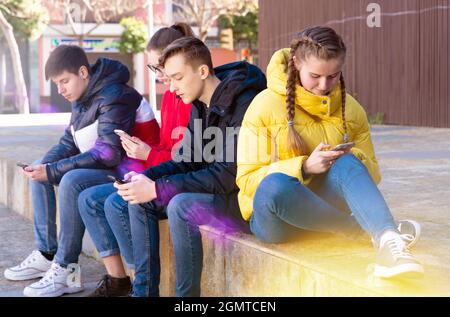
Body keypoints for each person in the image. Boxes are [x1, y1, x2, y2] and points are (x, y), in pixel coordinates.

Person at [236, 26, 423, 280]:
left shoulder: (352, 110)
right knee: (273, 186)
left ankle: (390, 243)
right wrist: (303, 167)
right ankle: (362, 230)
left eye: (333, 76)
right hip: (278, 220)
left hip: (326, 208)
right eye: (315, 76)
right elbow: (247, 181)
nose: (324, 85)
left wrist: (344, 159)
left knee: (347, 162)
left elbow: (373, 175)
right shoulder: (264, 106)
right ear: (296, 64)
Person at [112, 37, 266, 297]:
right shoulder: (199, 104)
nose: (171, 88)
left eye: (177, 77)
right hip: (217, 190)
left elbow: (229, 174)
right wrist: (145, 178)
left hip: (245, 199)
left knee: (181, 205)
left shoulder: (244, 104)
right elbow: (187, 160)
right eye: (169, 79)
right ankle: (144, 293)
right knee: (138, 199)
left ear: (203, 71)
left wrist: (158, 188)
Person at [3, 45, 157, 297]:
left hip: (135, 170)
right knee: (40, 167)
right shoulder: (82, 97)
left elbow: (109, 153)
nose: (60, 89)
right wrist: (44, 167)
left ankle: (66, 267)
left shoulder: (114, 94)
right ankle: (47, 253)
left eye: (64, 81)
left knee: (72, 180)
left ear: (83, 72)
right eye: (56, 84)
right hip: (112, 168)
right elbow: (69, 142)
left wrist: (52, 170)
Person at [77, 23, 194, 297]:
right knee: (90, 199)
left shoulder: (191, 97)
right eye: (153, 68)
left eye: (159, 67)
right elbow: (167, 149)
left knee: (120, 202)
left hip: (179, 179)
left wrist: (148, 155)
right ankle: (127, 278)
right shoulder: (169, 97)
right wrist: (141, 150)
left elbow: (188, 160)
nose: (158, 75)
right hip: (161, 171)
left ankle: (142, 285)